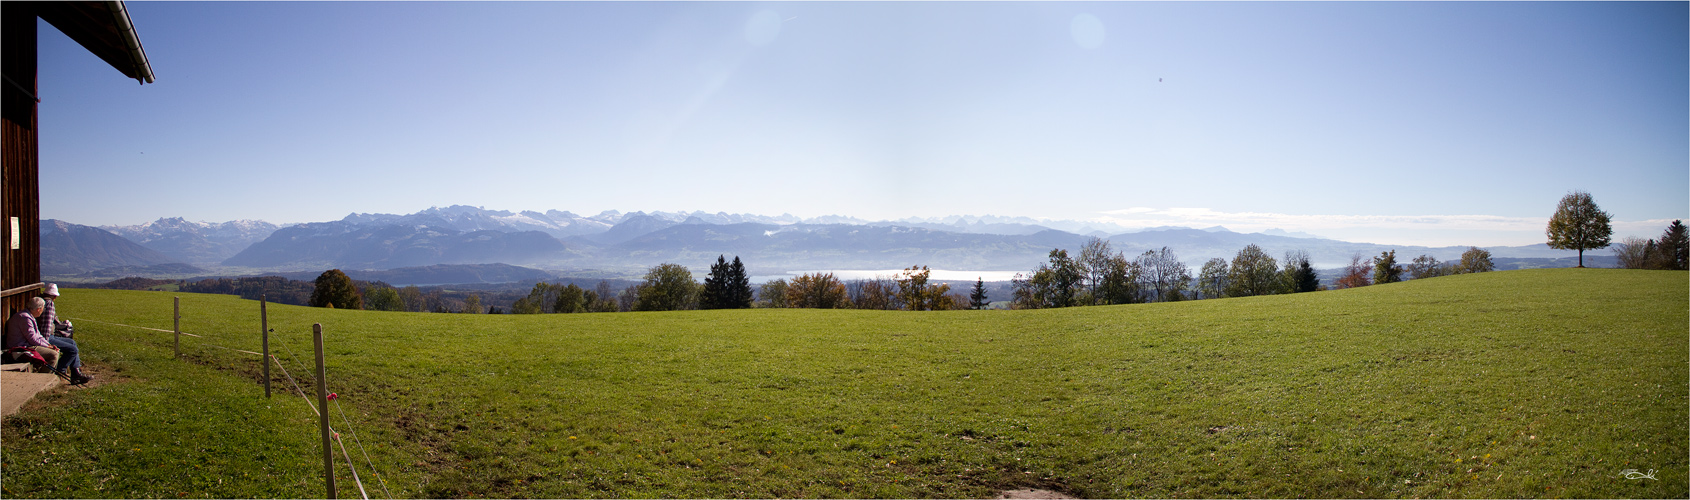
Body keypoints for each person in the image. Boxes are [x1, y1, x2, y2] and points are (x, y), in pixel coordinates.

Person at [36, 285, 90, 384]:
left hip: (43, 336)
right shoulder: (49, 304)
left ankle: (75, 373)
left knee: (72, 342)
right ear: (55, 296)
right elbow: (47, 325)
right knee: (72, 349)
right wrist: (46, 343)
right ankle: (60, 371)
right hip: (46, 337)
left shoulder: (42, 302)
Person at [6, 297, 60, 377]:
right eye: (42, 308)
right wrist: (48, 347)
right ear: (39, 309)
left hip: (27, 345)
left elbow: (38, 335)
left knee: (54, 351)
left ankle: (45, 375)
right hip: (20, 347)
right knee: (53, 355)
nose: (42, 311)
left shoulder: (29, 316)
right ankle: (43, 378)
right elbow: (32, 339)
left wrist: (49, 345)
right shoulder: (24, 318)